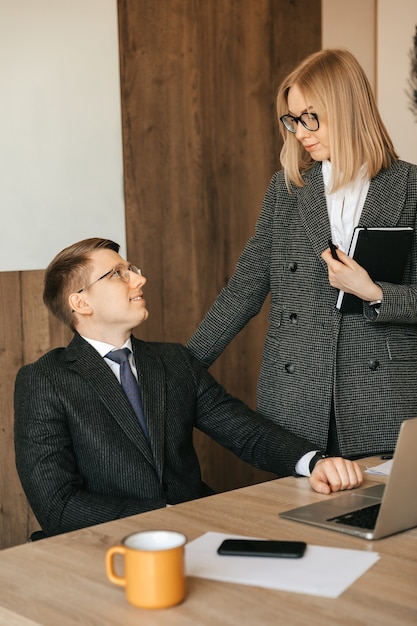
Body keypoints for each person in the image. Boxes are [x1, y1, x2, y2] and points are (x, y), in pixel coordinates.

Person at [14, 238, 362, 537]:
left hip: (199, 532)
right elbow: (57, 506)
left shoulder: (174, 361)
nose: (139, 279)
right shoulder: (45, 381)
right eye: (119, 274)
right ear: (81, 303)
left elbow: (246, 432)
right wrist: (166, 518)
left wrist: (314, 462)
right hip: (110, 548)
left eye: (131, 268)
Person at [187, 48, 417, 459]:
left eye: (312, 116)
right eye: (293, 119)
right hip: (296, 396)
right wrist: (181, 369)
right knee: (294, 518)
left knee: (380, 518)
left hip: (384, 397)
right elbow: (244, 289)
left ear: (347, 109)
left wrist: (374, 292)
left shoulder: (410, 187)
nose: (301, 131)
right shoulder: (287, 189)